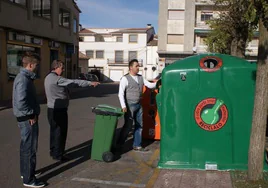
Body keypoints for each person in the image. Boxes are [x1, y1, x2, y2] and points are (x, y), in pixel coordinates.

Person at [44, 60, 99, 161]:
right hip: (59, 110)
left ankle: (54, 151)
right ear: (56, 67)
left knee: (54, 131)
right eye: (62, 68)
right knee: (60, 132)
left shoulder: (47, 77)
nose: (63, 70)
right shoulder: (57, 79)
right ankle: (59, 154)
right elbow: (74, 82)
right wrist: (89, 83)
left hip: (51, 109)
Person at [12, 52, 46, 187]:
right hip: (28, 119)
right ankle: (29, 179)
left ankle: (26, 172)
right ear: (30, 65)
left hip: (26, 117)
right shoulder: (23, 79)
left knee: (26, 146)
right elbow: (21, 101)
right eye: (36, 65)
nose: (37, 67)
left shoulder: (24, 77)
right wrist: (31, 115)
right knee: (30, 148)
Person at [117, 59, 157, 151]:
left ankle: (137, 145)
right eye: (136, 66)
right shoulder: (125, 78)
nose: (138, 67)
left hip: (139, 104)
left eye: (138, 66)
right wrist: (123, 106)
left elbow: (149, 85)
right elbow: (120, 94)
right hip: (129, 105)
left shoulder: (141, 77)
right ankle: (119, 144)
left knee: (139, 125)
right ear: (131, 67)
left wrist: (159, 82)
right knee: (128, 126)